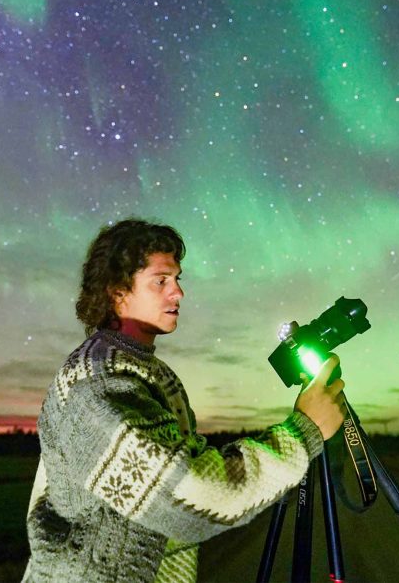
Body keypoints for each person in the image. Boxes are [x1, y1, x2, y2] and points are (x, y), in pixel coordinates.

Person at [23, 218, 346, 583]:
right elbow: (188, 494)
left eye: (177, 279)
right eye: (161, 281)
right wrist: (303, 432)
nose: (178, 293)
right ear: (117, 292)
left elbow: (188, 459)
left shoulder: (147, 371)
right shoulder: (97, 383)